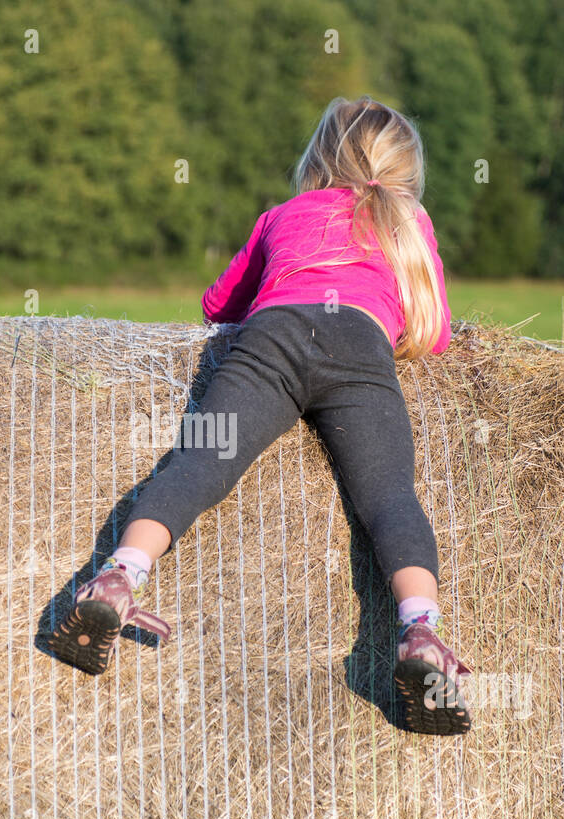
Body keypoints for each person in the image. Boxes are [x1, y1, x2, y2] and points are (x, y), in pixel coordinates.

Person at [49, 95, 472, 734]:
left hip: (269, 343)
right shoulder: (410, 224)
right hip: (359, 350)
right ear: (406, 171)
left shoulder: (282, 215)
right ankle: (420, 633)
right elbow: (434, 334)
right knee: (389, 499)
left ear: (319, 158)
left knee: (198, 464)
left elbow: (218, 304)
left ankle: (116, 578)